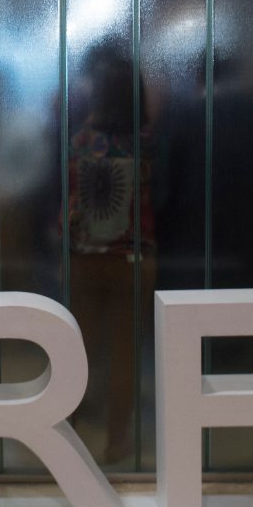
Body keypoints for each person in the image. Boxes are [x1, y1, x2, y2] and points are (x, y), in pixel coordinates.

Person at [67, 42, 155, 464]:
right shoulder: (147, 143)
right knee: (125, 353)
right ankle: (117, 441)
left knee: (79, 349)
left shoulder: (81, 141)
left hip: (85, 257)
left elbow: (66, 200)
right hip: (134, 258)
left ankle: (68, 431)